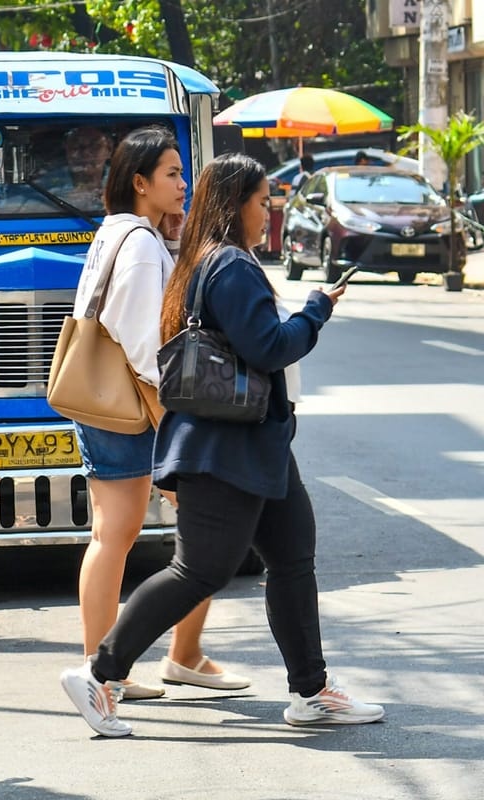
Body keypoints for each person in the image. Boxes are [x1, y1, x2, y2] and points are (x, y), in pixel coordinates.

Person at [63, 153, 384, 737]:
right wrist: (315, 311)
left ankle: (311, 691)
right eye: (263, 202)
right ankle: (99, 673)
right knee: (199, 571)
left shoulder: (204, 260)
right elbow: (269, 347)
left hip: (254, 442)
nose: (270, 213)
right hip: (226, 446)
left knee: (291, 558)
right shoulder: (230, 266)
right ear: (237, 205)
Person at [60, 127, 249, 704]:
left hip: (106, 405)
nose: (182, 182)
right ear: (139, 183)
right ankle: (171, 657)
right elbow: (145, 341)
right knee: (206, 525)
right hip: (141, 404)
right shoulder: (139, 243)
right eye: (171, 173)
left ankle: (108, 666)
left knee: (113, 535)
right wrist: (177, 405)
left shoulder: (118, 232)